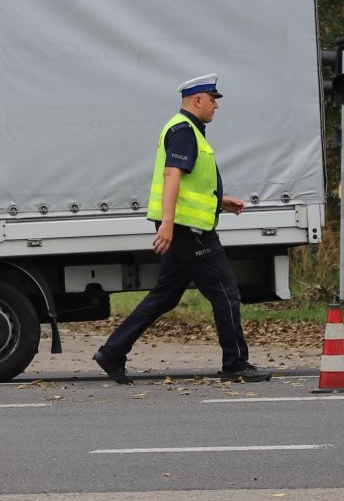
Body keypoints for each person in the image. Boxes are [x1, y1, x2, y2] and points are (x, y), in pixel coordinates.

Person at [93, 74, 271, 383]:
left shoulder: (189, 130)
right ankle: (235, 364)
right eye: (212, 98)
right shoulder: (184, 130)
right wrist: (167, 224)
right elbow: (172, 175)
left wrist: (219, 202)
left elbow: (191, 186)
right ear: (197, 100)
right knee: (225, 294)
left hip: (188, 226)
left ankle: (112, 352)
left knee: (165, 295)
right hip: (190, 230)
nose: (216, 105)